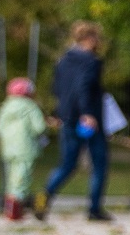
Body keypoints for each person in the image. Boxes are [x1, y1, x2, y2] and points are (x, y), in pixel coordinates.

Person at [43, 22, 112, 221]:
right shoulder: (91, 61)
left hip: (67, 118)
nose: (98, 42)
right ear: (89, 38)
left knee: (67, 164)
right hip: (89, 120)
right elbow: (84, 86)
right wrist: (87, 113)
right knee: (99, 163)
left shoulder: (62, 61)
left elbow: (56, 89)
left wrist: (63, 111)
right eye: (97, 38)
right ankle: (94, 209)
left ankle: (43, 198)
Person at [0, 79, 48, 221]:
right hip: (25, 147)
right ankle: (15, 211)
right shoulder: (30, 106)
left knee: (11, 178)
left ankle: (9, 209)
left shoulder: (5, 106)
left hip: (8, 148)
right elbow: (39, 127)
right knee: (22, 178)